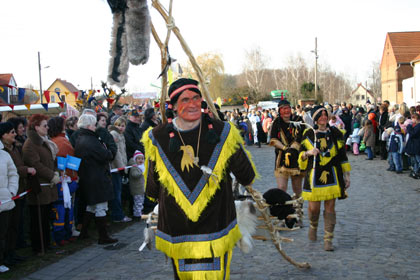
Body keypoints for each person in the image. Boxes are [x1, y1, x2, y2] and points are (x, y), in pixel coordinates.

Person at [142, 78, 257, 279]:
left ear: (203, 101)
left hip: (212, 223)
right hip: (187, 227)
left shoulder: (224, 132)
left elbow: (245, 175)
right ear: (174, 106)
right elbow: (152, 187)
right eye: (185, 100)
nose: (192, 103)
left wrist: (233, 147)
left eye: (196, 98)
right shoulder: (158, 138)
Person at [299, 106, 351, 251]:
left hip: (333, 174)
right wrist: (308, 153)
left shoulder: (335, 133)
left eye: (325, 115)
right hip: (314, 174)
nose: (323, 117)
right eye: (320, 115)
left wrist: (347, 175)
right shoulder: (308, 134)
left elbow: (342, 156)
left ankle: (328, 239)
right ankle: (313, 225)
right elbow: (300, 155)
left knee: (330, 207)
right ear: (315, 118)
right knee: (313, 208)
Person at [74, 114, 118, 244]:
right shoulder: (90, 141)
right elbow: (106, 155)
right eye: (94, 125)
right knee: (100, 207)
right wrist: (110, 150)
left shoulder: (81, 138)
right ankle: (103, 236)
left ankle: (84, 232)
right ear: (88, 126)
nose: (95, 127)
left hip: (88, 177)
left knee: (91, 206)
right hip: (96, 177)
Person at [22, 114, 60, 255]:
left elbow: (50, 161)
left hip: (48, 186)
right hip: (39, 187)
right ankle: (39, 247)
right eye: (45, 125)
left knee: (46, 218)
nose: (47, 128)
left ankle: (47, 243)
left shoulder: (44, 141)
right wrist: (51, 175)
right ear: (36, 127)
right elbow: (35, 164)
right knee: (38, 219)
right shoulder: (30, 144)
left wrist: (55, 172)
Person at [47, 117, 79, 246]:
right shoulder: (61, 142)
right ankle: (61, 235)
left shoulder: (59, 140)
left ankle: (65, 233)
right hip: (65, 179)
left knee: (66, 208)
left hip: (67, 178)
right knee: (63, 208)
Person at [269, 98, 305, 199]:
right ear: (280, 111)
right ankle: (283, 210)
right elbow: (273, 139)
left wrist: (294, 147)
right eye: (284, 109)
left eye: (288, 108)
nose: (286, 111)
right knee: (281, 188)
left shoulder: (298, 120)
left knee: (297, 188)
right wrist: (285, 148)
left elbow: (302, 136)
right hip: (281, 159)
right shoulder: (277, 122)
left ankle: (298, 208)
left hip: (297, 158)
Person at [0, 123, 19, 273]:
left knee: (3, 232)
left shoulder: (4, 154)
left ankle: (2, 260)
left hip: (4, 199)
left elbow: (13, 174)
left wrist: (11, 191)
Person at [108, 117, 131, 222]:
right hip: (116, 168)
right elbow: (116, 153)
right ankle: (117, 215)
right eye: (118, 125)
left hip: (121, 166)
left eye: (122, 126)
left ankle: (118, 214)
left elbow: (123, 152)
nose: (120, 128)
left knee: (118, 192)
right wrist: (121, 167)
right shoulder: (114, 134)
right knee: (116, 193)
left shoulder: (121, 135)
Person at [128, 150, 145, 218]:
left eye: (142, 159)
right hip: (137, 189)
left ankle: (139, 212)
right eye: (138, 159)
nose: (140, 160)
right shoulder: (134, 167)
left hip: (140, 188)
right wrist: (141, 172)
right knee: (138, 202)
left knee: (141, 201)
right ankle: (137, 215)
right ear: (135, 159)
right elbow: (134, 175)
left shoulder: (141, 166)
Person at [405, 113, 420, 179]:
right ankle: (415, 172)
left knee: (418, 160)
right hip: (414, 146)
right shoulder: (416, 125)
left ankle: (417, 172)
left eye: (412, 118)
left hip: (417, 145)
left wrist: (409, 127)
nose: (412, 120)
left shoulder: (418, 126)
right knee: (415, 160)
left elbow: (413, 134)